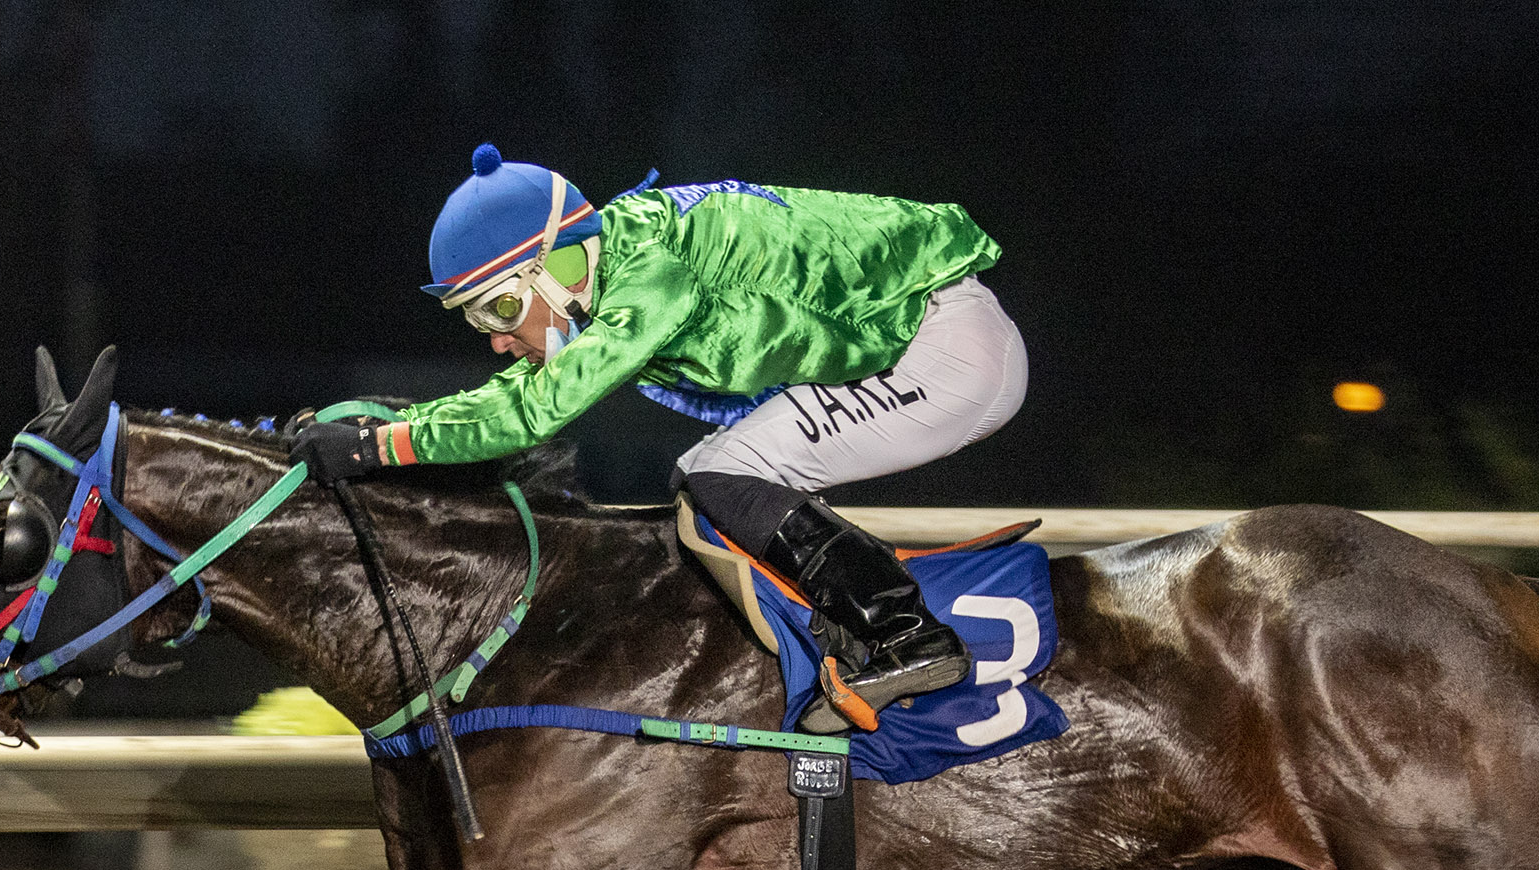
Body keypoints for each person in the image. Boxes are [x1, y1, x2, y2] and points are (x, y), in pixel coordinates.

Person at [289, 146, 1028, 718]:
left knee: (724, 474)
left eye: (501, 310)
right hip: (920, 343)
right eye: (476, 319)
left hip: (948, 350)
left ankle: (907, 635)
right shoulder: (623, 253)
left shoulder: (650, 274)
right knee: (709, 476)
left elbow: (534, 411)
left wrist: (379, 445)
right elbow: (522, 389)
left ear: (555, 269)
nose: (496, 339)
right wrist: (395, 427)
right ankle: (857, 625)